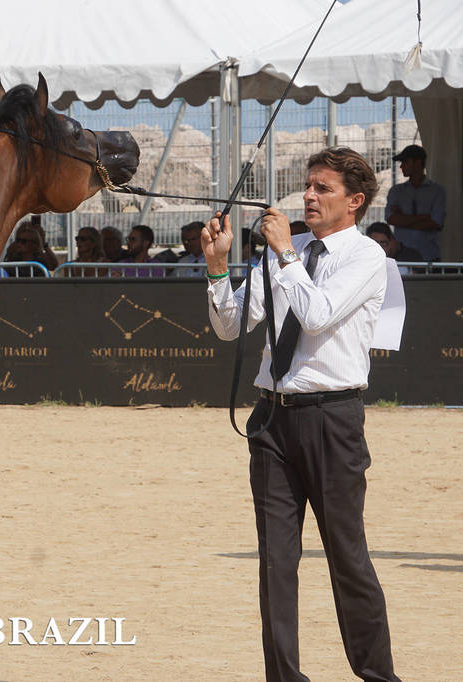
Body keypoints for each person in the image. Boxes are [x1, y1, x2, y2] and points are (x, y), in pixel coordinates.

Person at [203, 146, 399, 682]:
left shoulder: (365, 257)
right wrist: (218, 268)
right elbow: (231, 325)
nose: (308, 195)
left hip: (332, 421)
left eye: (323, 189)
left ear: (354, 201)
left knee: (348, 558)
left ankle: (377, 674)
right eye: (308, 186)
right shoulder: (283, 252)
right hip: (271, 420)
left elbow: (315, 316)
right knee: (276, 565)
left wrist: (287, 254)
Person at [385, 144, 445, 261]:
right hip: (401, 257)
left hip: (429, 256)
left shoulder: (437, 191)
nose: (401, 166)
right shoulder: (396, 191)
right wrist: (424, 217)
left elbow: (436, 223)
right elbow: (391, 219)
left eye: (405, 162)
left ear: (417, 162)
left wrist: (403, 218)